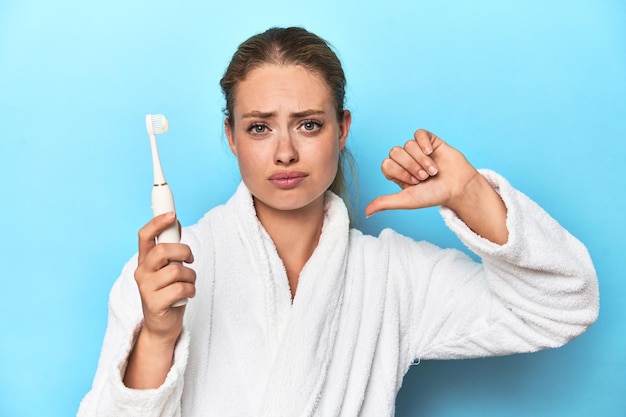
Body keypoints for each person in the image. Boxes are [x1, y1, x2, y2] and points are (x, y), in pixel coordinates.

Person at [78, 27, 599, 416]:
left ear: (342, 129)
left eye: (308, 124)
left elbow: (563, 306)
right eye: (259, 128)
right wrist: (158, 335)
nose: (285, 152)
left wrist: (469, 194)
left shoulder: (393, 276)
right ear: (232, 137)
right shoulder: (167, 275)